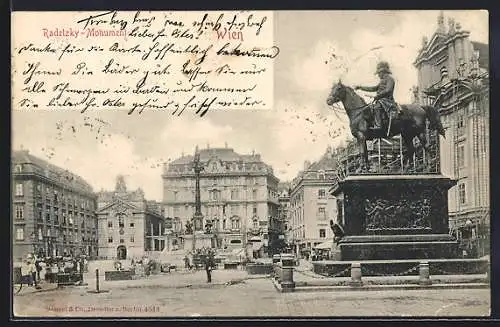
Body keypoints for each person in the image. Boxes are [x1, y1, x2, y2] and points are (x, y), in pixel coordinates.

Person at [354, 61, 397, 132]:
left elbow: (388, 90)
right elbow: (373, 88)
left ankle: (378, 125)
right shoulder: (382, 81)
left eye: (379, 73)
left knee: (377, 107)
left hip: (387, 100)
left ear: (383, 72)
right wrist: (361, 87)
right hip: (381, 100)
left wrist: (378, 96)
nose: (378, 75)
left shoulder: (390, 79)